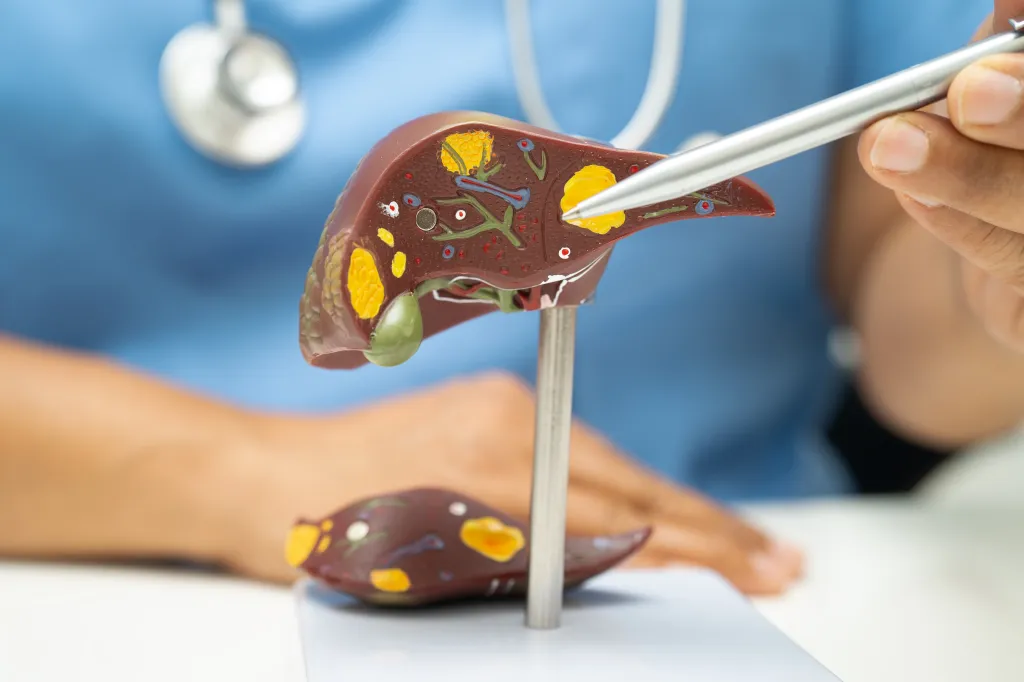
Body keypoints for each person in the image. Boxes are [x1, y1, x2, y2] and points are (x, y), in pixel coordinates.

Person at [2, 0, 1023, 595]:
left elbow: (915, 288)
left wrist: (996, 254)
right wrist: (229, 466)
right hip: (89, 574)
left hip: (736, 576)